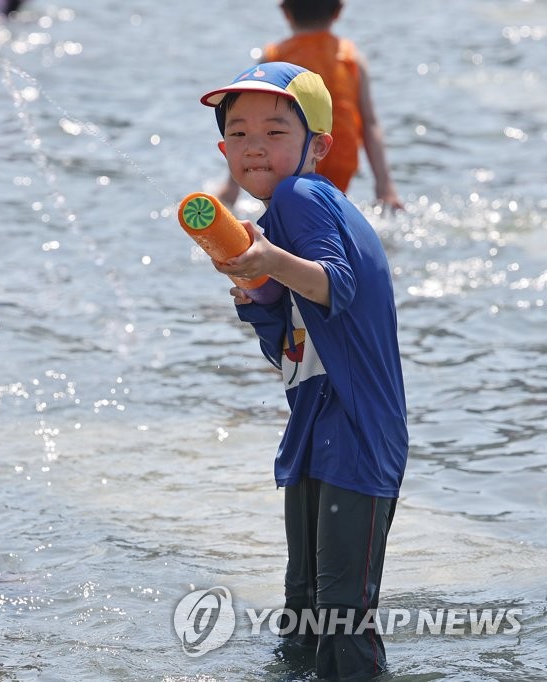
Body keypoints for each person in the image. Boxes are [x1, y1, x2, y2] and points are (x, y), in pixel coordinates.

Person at [200, 62, 408, 680]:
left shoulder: (303, 195)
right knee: (304, 618)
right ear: (222, 150)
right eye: (238, 134)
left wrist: (267, 259)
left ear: (317, 145)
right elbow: (291, 350)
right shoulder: (283, 215)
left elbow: (335, 286)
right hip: (315, 433)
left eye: (274, 131)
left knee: (342, 620)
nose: (254, 145)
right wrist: (257, 293)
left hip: (358, 434)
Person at [215, 0, 403, 211]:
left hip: (285, 154)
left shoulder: (274, 57)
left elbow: (252, 121)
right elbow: (370, 123)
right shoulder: (352, 58)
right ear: (338, 12)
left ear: (285, 12)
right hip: (340, 157)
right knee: (327, 211)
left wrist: (232, 186)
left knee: (287, 213)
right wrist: (384, 184)